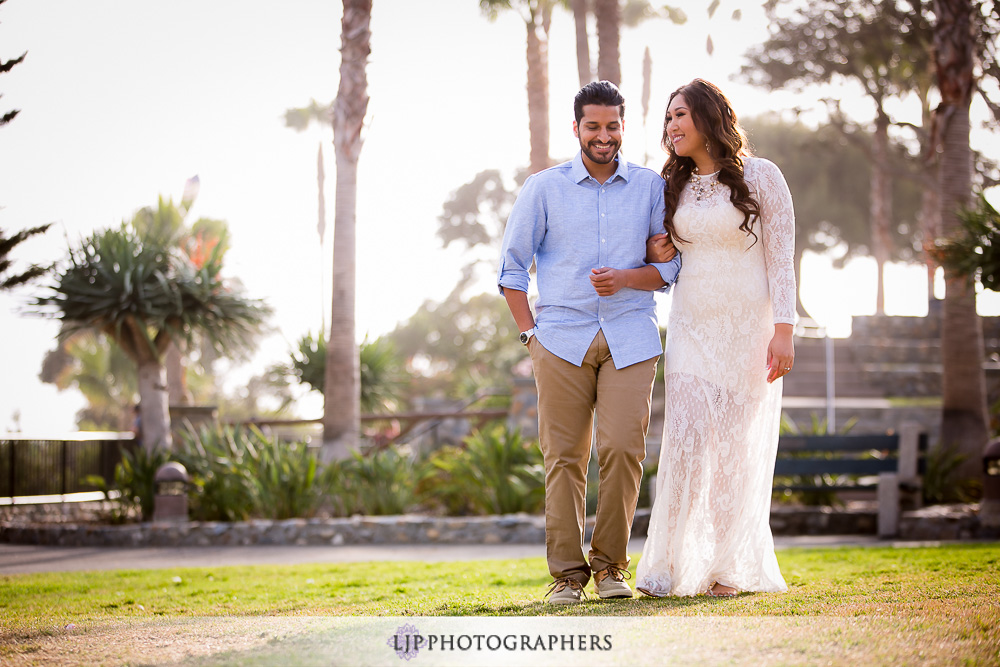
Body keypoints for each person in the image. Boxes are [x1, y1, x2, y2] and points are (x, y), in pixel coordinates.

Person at [498, 80, 681, 605]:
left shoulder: (649, 187)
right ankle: (567, 576)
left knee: (623, 449)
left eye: (613, 126)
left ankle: (610, 569)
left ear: (624, 127)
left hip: (630, 336)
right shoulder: (543, 188)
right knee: (564, 457)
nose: (604, 136)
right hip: (558, 339)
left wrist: (626, 278)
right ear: (576, 127)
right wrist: (530, 335)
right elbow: (511, 270)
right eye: (594, 126)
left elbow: (668, 268)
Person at [636, 78, 795, 598]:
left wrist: (784, 331)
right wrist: (659, 255)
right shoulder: (672, 185)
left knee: (731, 452)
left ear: (708, 117)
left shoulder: (763, 176)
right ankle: (667, 567)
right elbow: (667, 256)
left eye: (680, 115)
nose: (672, 126)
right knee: (684, 442)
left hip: (747, 329)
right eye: (667, 118)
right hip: (689, 326)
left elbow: (781, 258)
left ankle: (726, 570)